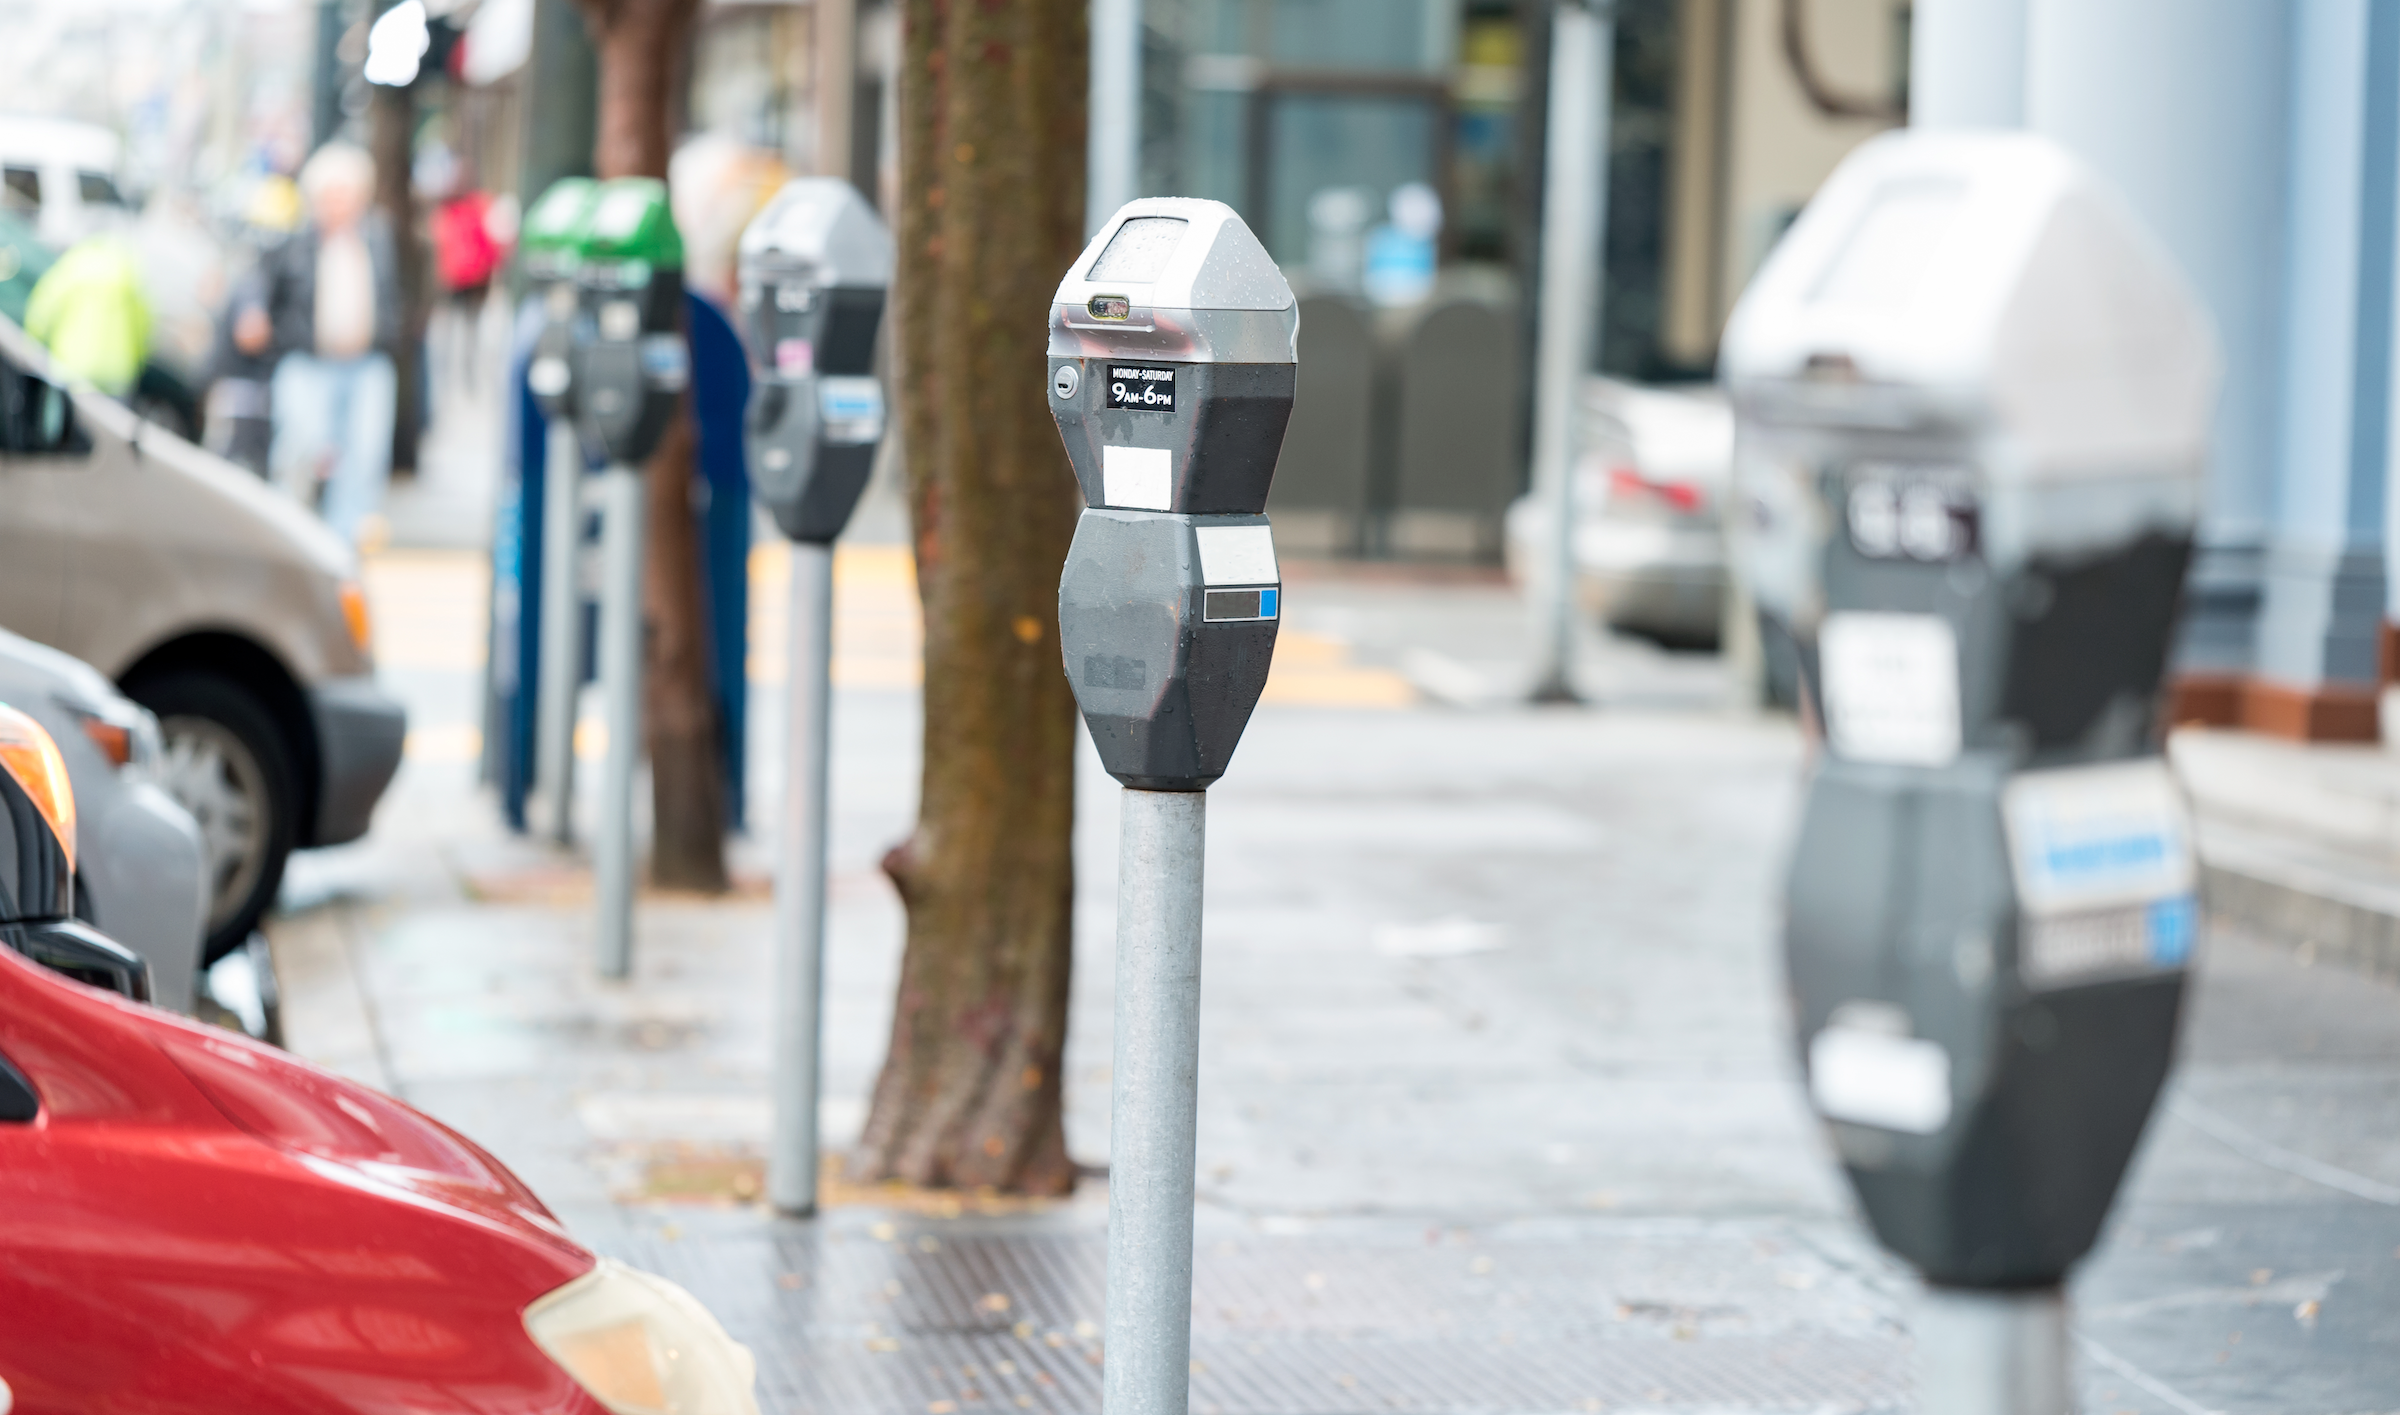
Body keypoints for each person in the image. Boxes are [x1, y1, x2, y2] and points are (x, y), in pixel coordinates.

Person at [230, 143, 401, 546]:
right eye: (330, 196)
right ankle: (292, 535)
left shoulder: (377, 239)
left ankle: (344, 542)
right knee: (300, 449)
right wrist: (253, 315)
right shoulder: (295, 242)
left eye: (346, 195)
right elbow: (257, 285)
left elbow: (394, 296)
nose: (338, 205)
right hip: (308, 362)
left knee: (363, 456)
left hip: (366, 363)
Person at [23, 233, 150, 398]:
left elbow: (43, 308)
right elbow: (143, 325)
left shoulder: (75, 264)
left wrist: (32, 345)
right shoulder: (129, 271)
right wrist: (139, 362)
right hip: (117, 372)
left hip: (72, 365)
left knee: (62, 417)